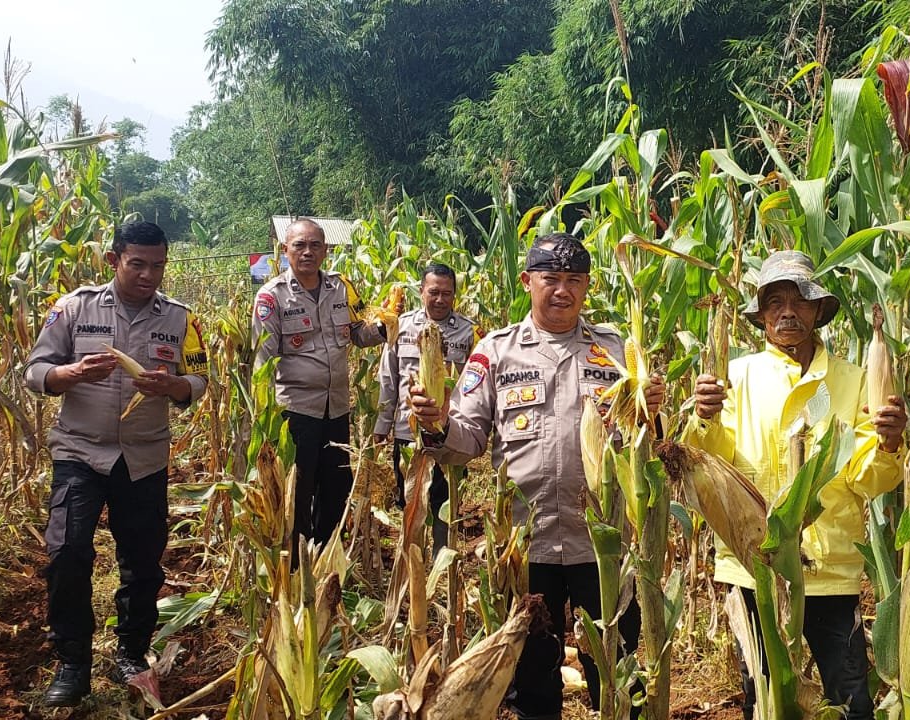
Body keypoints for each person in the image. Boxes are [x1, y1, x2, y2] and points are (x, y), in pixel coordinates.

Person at [408, 232, 663, 720]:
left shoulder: (615, 350)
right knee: (532, 677)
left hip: (604, 542)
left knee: (615, 669)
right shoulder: (496, 352)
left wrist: (653, 411)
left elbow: (644, 443)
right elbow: (467, 441)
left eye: (575, 280)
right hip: (527, 543)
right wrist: (437, 423)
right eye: (551, 279)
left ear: (587, 286)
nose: (563, 290)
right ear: (527, 281)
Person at [688, 250, 906, 720]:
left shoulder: (854, 380)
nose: (788, 311)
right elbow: (709, 464)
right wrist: (703, 417)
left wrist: (889, 444)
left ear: (819, 311)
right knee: (764, 697)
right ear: (763, 314)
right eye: (775, 301)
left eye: (801, 300)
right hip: (756, 564)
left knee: (849, 698)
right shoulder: (733, 376)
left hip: (830, 568)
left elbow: (868, 478)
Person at [24, 221, 208, 707]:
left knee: (143, 563)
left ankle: (131, 651)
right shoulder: (73, 308)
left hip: (144, 456)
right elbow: (35, 371)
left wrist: (174, 387)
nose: (150, 275)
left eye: (159, 265)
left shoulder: (181, 319)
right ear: (113, 260)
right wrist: (69, 373)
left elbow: (201, 378)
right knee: (67, 553)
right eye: (138, 264)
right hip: (80, 451)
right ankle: (72, 663)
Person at [253, 218, 385, 552]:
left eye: (315, 245)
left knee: (335, 488)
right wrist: (265, 421)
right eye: (299, 245)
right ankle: (297, 566)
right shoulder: (272, 297)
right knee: (298, 490)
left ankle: (328, 560)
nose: (308, 252)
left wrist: (383, 328)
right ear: (286, 250)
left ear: (326, 250)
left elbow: (358, 334)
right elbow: (262, 365)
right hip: (296, 413)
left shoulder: (342, 288)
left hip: (337, 409)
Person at [374, 262, 477, 552]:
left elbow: (474, 386)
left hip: (449, 433)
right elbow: (388, 378)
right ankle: (412, 560)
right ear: (421, 292)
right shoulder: (401, 325)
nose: (440, 299)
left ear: (455, 295)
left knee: (444, 501)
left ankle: (442, 561)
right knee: (411, 498)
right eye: (434, 292)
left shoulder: (468, 333)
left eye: (447, 293)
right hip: (408, 430)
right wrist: (382, 426)